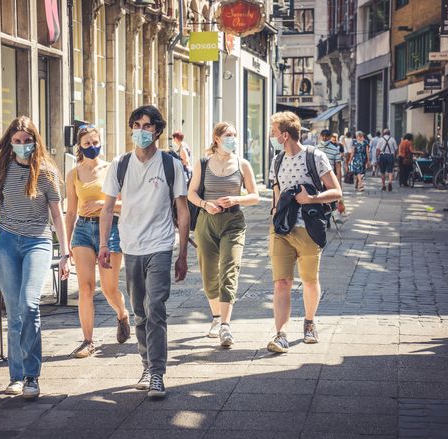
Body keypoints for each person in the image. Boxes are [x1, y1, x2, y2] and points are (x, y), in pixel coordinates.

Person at [0, 116, 70, 400]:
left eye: (27, 141)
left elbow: (57, 215)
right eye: (16, 141)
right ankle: (17, 377)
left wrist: (65, 254)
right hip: (5, 244)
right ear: (9, 143)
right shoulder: (1, 169)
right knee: (14, 311)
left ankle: (32, 376)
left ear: (35, 141)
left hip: (37, 243)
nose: (22, 146)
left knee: (30, 305)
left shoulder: (46, 173)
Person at [99, 105, 189, 399]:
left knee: (156, 309)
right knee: (139, 312)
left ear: (157, 131)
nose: (140, 130)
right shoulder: (120, 164)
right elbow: (108, 207)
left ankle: (157, 374)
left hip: (161, 245)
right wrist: (103, 245)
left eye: (147, 126)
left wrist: (183, 252)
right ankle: (146, 364)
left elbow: (182, 210)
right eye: (136, 124)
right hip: (131, 246)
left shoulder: (170, 164)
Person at [267, 111, 342, 352]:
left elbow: (337, 191)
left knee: (309, 282)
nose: (271, 136)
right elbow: (276, 194)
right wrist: (274, 214)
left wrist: (311, 198)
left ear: (284, 135)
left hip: (308, 229)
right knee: (281, 283)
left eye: (273, 132)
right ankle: (281, 334)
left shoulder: (315, 157)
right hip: (281, 231)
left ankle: (309, 323)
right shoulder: (276, 160)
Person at [188, 122, 260, 347]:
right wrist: (204, 204)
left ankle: (226, 326)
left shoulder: (242, 164)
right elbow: (190, 193)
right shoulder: (203, 163)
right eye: (229, 135)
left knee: (230, 269)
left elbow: (255, 196)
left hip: (233, 222)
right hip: (206, 222)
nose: (233, 139)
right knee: (209, 272)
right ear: (216, 138)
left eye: (235, 135)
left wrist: (236, 199)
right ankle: (216, 318)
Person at [64, 122, 131, 359]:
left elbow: (127, 203)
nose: (92, 147)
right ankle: (87, 341)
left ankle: (122, 314)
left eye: (95, 143)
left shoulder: (113, 168)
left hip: (110, 229)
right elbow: (70, 211)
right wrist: (66, 243)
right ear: (79, 147)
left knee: (109, 289)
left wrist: (103, 204)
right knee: (85, 287)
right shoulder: (73, 174)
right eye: (87, 144)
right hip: (83, 230)